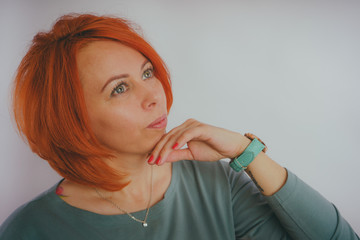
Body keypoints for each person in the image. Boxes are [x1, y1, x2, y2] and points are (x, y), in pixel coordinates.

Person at [0, 13, 358, 240]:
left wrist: (245, 153)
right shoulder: (29, 230)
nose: (154, 95)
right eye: (120, 88)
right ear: (70, 121)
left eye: (147, 72)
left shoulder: (214, 182)